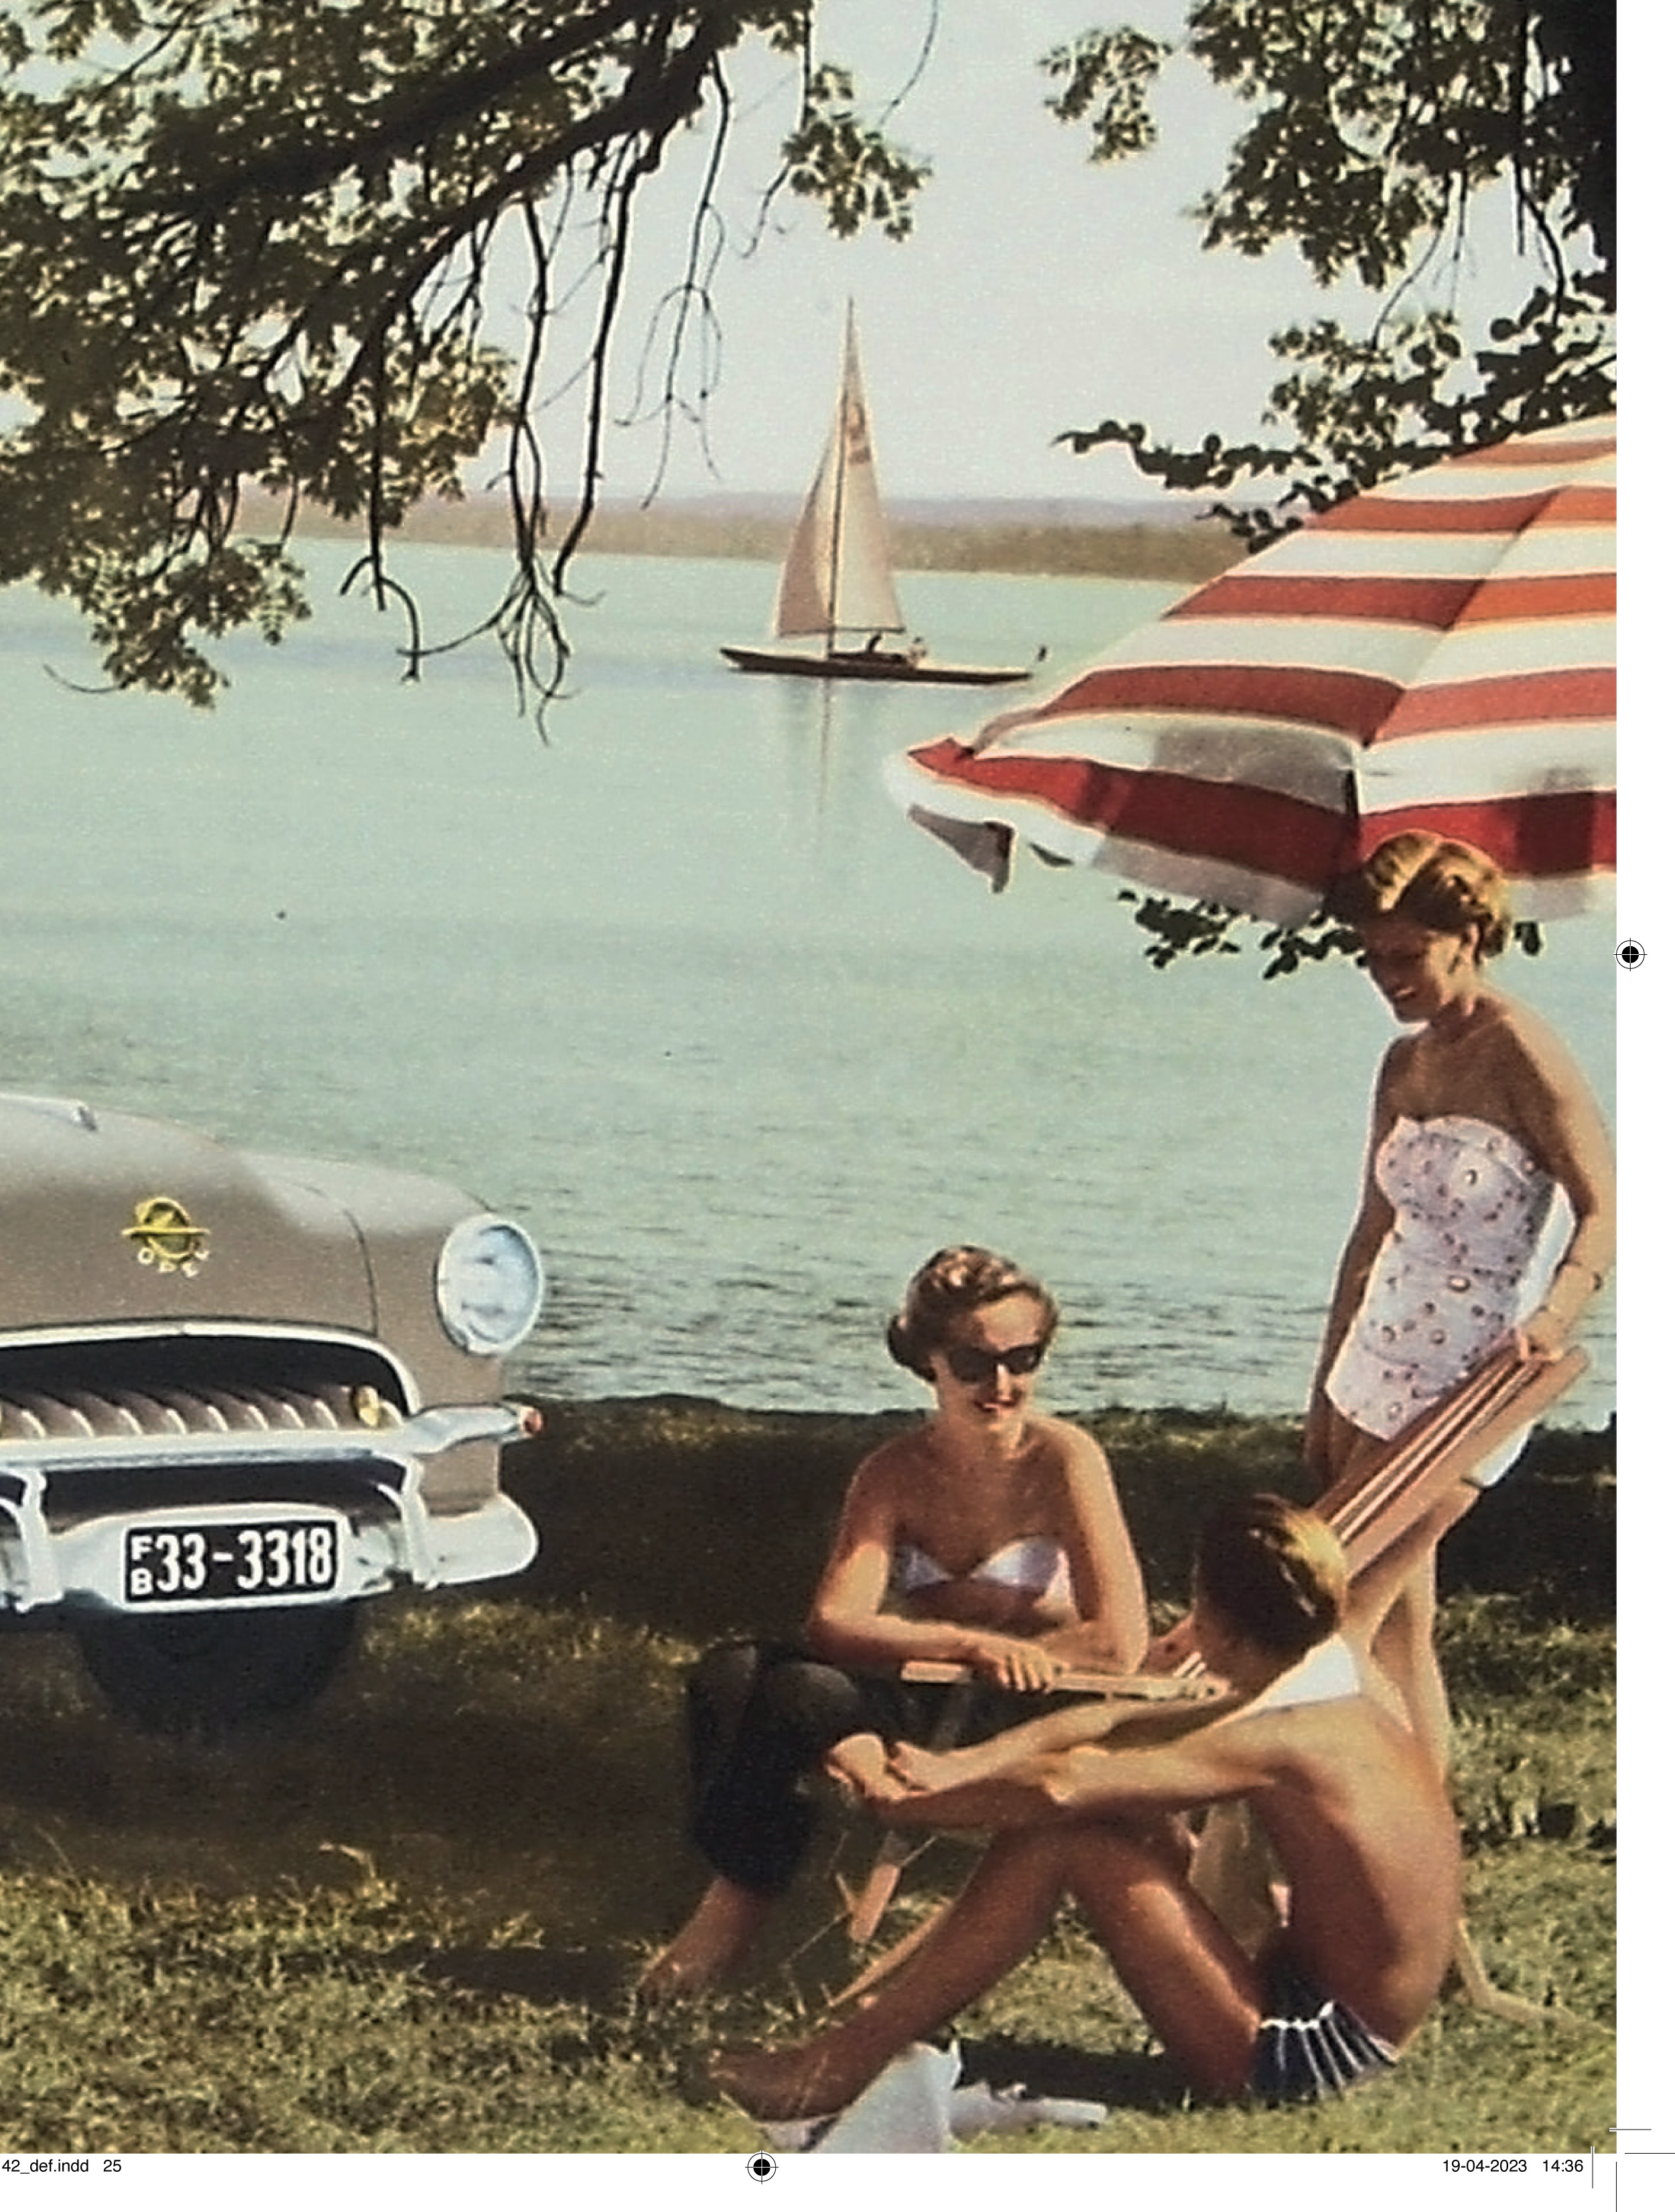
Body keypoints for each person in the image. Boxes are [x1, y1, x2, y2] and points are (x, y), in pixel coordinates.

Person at [713, 1495, 1461, 2121]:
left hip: (1313, 2048)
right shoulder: (1325, 1684)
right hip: (1331, 2005)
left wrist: (913, 1808)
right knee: (1111, 1815)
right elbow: (1111, 1722)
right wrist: (961, 1765)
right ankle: (864, 2036)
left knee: (1062, 1840)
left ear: (1221, 1624)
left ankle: (833, 2068)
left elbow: (1060, 1787)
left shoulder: (1282, 1739)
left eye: (1196, 1601)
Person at [639, 1245, 1148, 1997]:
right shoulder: (895, 1471)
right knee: (734, 1672)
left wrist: (1015, 1658)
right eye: (973, 1364)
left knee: (791, 1696)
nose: (1001, 1386)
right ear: (927, 1362)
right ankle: (776, 1864)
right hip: (938, 1695)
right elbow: (834, 1622)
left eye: (1023, 1359)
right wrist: (971, 1646)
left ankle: (735, 1916)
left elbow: (1120, 1641)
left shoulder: (1064, 1459)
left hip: (1032, 1709)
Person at [1304, 833, 1615, 1780]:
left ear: (1469, 935)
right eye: (1371, 959)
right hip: (1369, 1364)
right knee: (1399, 1635)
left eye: (1407, 956)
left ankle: (1274, 1846)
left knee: (1330, 1623)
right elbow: (1368, 1233)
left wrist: (1552, 1318)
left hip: (1465, 1381)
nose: (1388, 979)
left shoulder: (1521, 1049)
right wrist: (1321, 1385)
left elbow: (1604, 1205)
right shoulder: (1401, 1062)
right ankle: (1425, 1850)